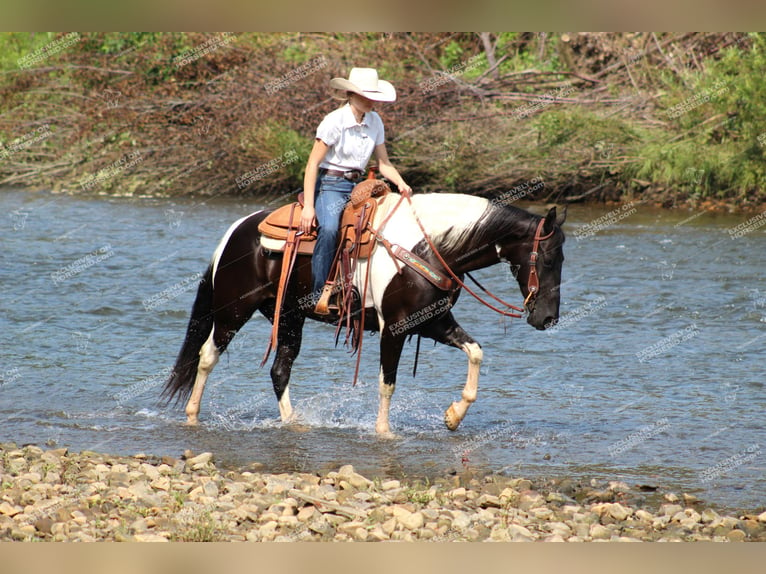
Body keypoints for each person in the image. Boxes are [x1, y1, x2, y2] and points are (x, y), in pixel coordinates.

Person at [300, 67, 412, 313]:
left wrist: (402, 184)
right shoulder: (334, 121)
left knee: (388, 227)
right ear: (351, 94)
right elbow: (312, 164)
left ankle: (372, 289)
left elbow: (384, 164)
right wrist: (309, 207)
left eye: (374, 96)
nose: (372, 100)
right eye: (366, 95)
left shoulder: (375, 121)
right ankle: (318, 294)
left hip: (362, 186)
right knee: (329, 229)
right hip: (331, 184)